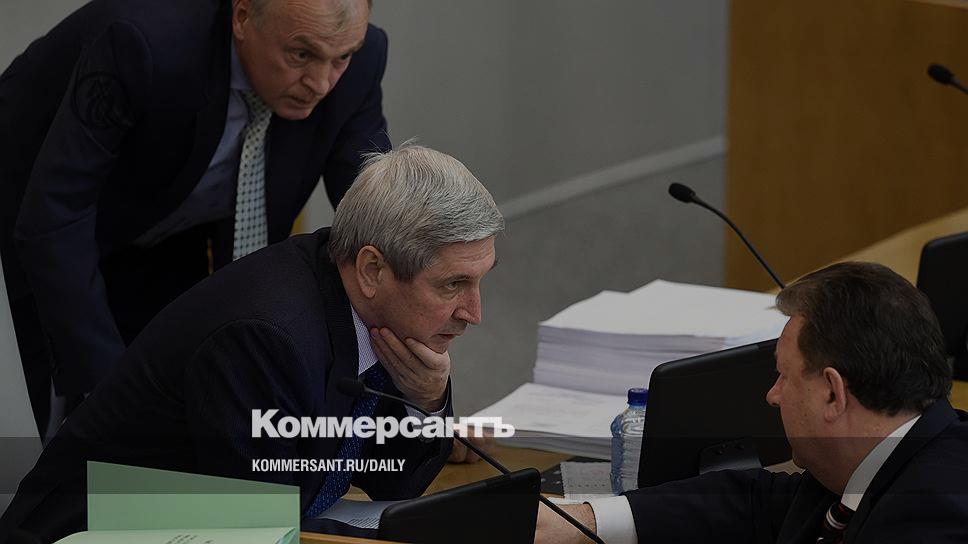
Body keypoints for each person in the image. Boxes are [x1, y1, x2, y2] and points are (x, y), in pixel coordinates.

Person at [0, 145, 505, 543]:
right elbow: (263, 529)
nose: (474, 313)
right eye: (452, 285)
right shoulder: (267, 336)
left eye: (479, 281)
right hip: (95, 531)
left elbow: (393, 484)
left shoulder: (370, 310)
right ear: (373, 268)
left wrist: (426, 401)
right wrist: (477, 529)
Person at [0, 0, 391, 438]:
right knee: (54, 420)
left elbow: (379, 224)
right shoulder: (143, 41)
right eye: (301, 54)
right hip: (28, 217)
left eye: (341, 57)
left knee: (171, 396)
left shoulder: (359, 62)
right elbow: (55, 215)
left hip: (167, 231)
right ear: (242, 17)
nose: (321, 83)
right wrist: (105, 396)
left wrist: (416, 387)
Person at [536, 262, 968, 543]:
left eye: (784, 376)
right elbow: (753, 502)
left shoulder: (933, 515)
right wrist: (582, 523)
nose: (773, 395)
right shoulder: (885, 458)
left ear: (832, 393)